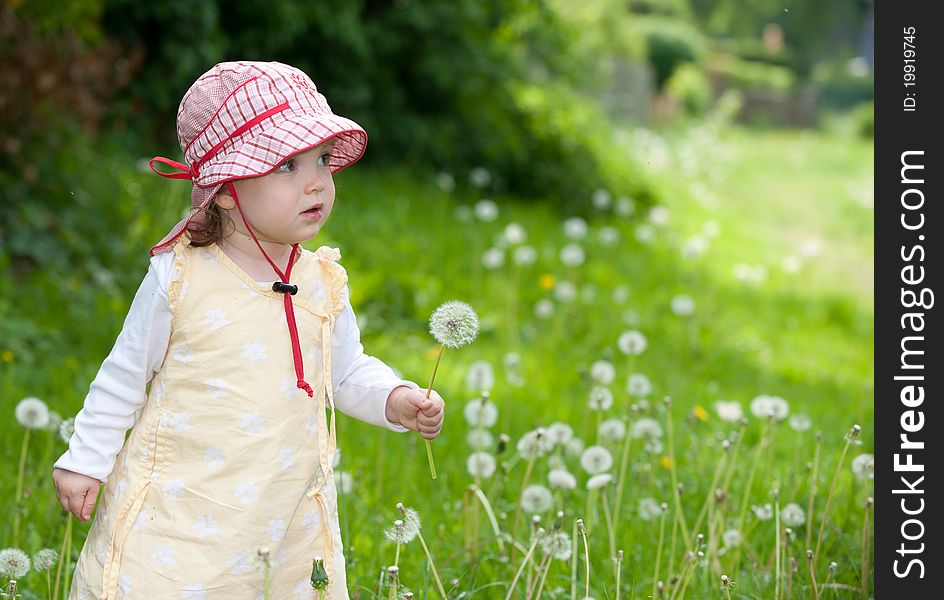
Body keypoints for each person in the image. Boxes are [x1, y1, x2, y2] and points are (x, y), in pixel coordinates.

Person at [50, 60, 446, 600]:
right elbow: (124, 374)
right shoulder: (182, 276)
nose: (316, 182)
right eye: (287, 164)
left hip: (284, 515)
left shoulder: (321, 280)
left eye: (323, 161)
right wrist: (85, 458)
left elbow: (345, 371)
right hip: (183, 508)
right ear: (226, 188)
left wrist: (394, 398)